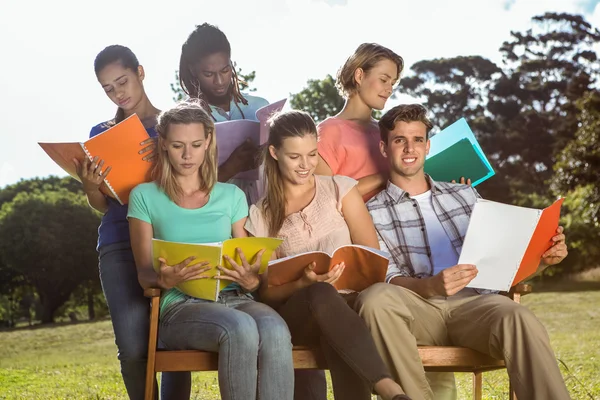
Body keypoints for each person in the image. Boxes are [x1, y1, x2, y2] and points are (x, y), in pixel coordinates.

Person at [354, 104, 571, 400]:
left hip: (475, 305)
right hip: (418, 308)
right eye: (399, 140)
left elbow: (502, 259)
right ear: (384, 147)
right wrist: (428, 286)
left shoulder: (464, 194)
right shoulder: (371, 211)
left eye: (417, 139)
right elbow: (386, 275)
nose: (409, 148)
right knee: (375, 299)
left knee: (519, 317)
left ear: (428, 146)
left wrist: (544, 259)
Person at [127, 101, 294, 400]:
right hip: (181, 307)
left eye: (195, 144)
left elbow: (245, 256)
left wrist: (250, 278)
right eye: (178, 145)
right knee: (240, 328)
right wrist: (162, 279)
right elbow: (143, 274)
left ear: (208, 142)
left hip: (235, 297)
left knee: (276, 328)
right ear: (163, 144)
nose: (187, 155)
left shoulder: (231, 196)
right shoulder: (144, 196)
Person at [245, 110, 411, 400]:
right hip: (297, 316)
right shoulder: (260, 214)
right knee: (321, 293)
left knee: (339, 324)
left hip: (348, 307)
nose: (306, 165)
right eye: (295, 157)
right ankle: (391, 390)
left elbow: (373, 259)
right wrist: (303, 283)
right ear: (274, 152)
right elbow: (266, 293)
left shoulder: (340, 189)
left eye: (312, 154)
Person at [76, 44, 185, 400]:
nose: (118, 93)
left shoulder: (177, 124)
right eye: (108, 88)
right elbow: (101, 204)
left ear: (140, 72)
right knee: (133, 347)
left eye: (122, 81)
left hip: (169, 239)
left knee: (173, 345)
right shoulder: (100, 133)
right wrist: (90, 185)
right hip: (118, 244)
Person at [179, 22, 268, 204]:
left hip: (265, 208)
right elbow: (182, 189)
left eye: (225, 70)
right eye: (209, 74)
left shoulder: (260, 106)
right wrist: (229, 169)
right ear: (192, 71)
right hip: (216, 217)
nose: (219, 81)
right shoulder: (184, 118)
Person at [314, 43, 404, 201]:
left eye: (393, 83)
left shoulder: (387, 132)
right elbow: (323, 199)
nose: (390, 89)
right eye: (384, 80)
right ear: (359, 76)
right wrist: (385, 176)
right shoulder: (328, 132)